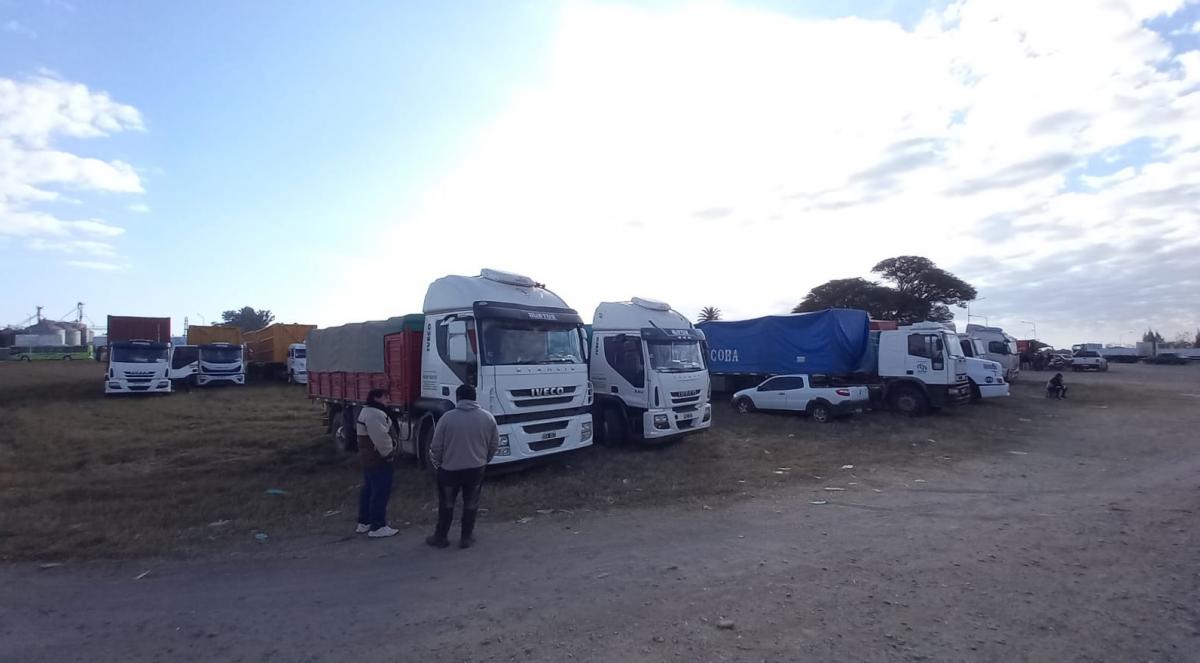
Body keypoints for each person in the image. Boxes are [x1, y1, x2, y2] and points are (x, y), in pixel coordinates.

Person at [426, 384, 499, 549]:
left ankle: (441, 537)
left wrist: (438, 464)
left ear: (457, 398)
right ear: (475, 398)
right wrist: (484, 460)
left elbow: (436, 447)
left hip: (449, 470)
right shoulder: (487, 417)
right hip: (475, 469)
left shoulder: (447, 418)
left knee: (447, 504)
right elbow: (494, 444)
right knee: (471, 503)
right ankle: (466, 537)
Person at [356, 388, 398, 538]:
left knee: (368, 489)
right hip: (378, 459)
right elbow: (381, 438)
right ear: (376, 398)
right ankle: (378, 526)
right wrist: (389, 454)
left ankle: (364, 522)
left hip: (369, 459)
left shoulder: (368, 411)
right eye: (386, 397)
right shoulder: (375, 414)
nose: (388, 400)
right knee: (380, 492)